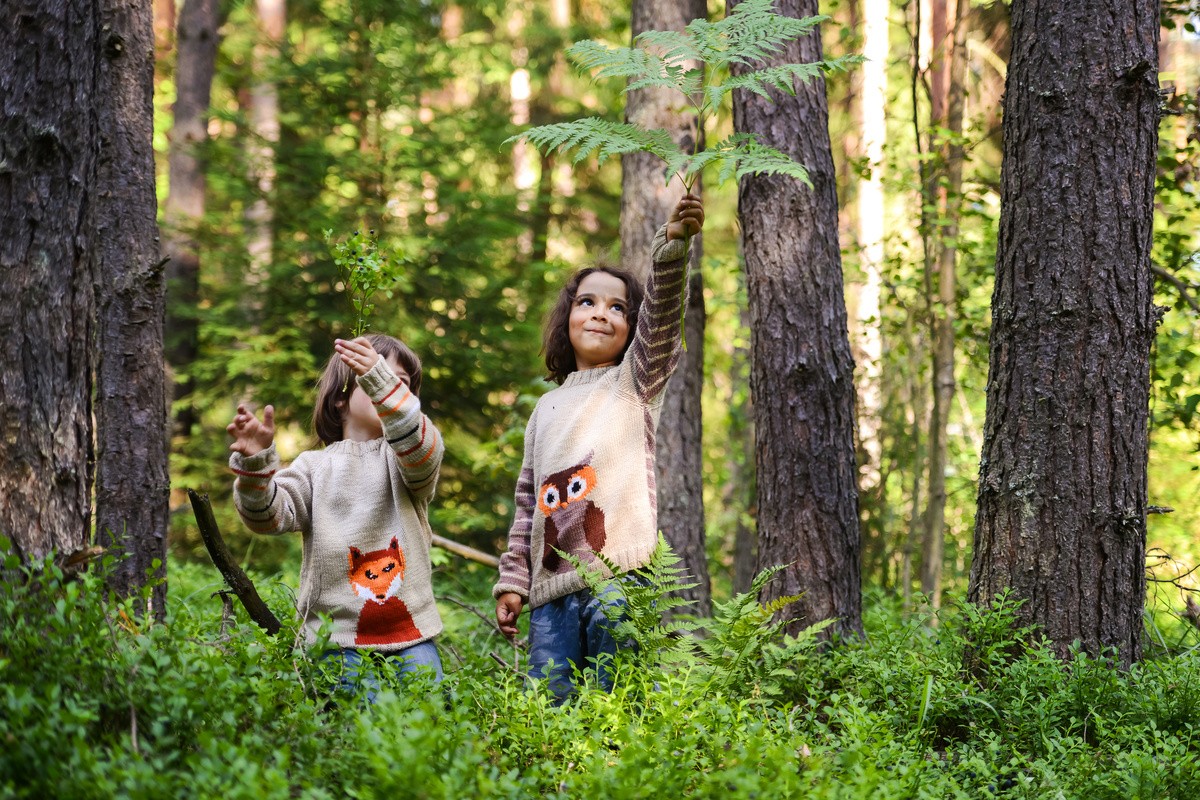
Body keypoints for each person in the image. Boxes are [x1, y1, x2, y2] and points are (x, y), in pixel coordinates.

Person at [493, 194, 705, 700]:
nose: (600, 314)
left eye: (618, 308)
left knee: (615, 701)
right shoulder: (544, 410)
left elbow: (662, 322)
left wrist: (671, 252)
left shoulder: (635, 381)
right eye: (587, 302)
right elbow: (528, 506)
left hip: (619, 578)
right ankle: (557, 780)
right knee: (551, 700)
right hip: (549, 592)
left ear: (631, 329)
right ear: (567, 316)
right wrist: (513, 581)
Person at [227, 334, 445, 702]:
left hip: (412, 635)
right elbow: (267, 516)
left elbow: (422, 447)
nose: (385, 384)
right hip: (334, 639)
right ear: (340, 397)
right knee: (352, 731)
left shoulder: (405, 459)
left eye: (399, 383)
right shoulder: (314, 467)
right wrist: (255, 465)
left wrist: (378, 380)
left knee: (430, 723)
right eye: (373, 375)